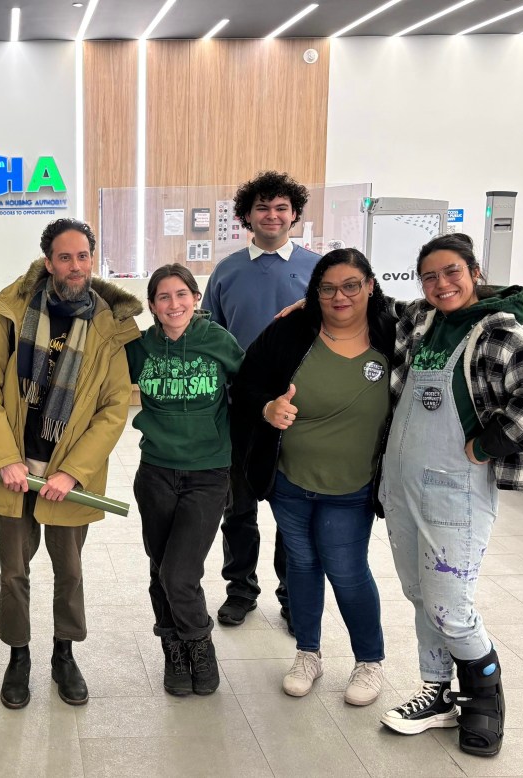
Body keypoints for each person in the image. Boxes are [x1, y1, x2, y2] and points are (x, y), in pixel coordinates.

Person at [379, 234, 523, 755]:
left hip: (454, 492)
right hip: (402, 486)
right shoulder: (423, 321)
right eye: (430, 276)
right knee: (421, 595)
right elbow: (380, 305)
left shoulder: (498, 332)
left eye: (452, 272)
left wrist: (489, 444)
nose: (441, 284)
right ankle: (437, 692)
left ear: (475, 272)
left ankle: (485, 701)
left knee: (450, 608)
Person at [0, 218, 141, 709]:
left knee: (69, 572)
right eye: (65, 257)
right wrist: (4, 457)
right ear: (48, 262)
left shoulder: (108, 324)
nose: (75, 266)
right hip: (11, 471)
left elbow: (114, 406)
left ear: (92, 260)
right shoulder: (13, 310)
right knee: (13, 572)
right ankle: (18, 655)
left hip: (69, 476)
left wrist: (72, 472)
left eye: (83, 256)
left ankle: (64, 654)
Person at [233, 248, 395, 705]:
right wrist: (268, 408)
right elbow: (246, 383)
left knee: (346, 569)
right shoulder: (291, 330)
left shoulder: (393, 332)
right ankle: (308, 653)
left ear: (370, 286)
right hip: (290, 481)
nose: (340, 297)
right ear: (315, 292)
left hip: (354, 485)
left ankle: (369, 661)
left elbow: (442, 306)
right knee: (301, 565)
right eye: (327, 289)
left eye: (351, 286)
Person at [204, 171, 320, 631]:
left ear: (294, 214)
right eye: (262, 208)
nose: (272, 215)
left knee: (293, 506)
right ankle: (240, 589)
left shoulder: (317, 270)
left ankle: (292, 594)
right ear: (246, 217)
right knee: (238, 506)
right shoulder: (227, 271)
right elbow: (210, 336)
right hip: (240, 408)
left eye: (281, 208)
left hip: (300, 409)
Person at [126, 263, 244, 696]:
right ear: (152, 305)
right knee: (160, 569)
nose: (173, 304)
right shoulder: (140, 348)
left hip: (208, 473)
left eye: (181, 295)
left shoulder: (218, 341)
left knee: (179, 573)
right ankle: (172, 649)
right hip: (156, 471)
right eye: (163, 297)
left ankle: (199, 644)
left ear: (196, 298)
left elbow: (250, 388)